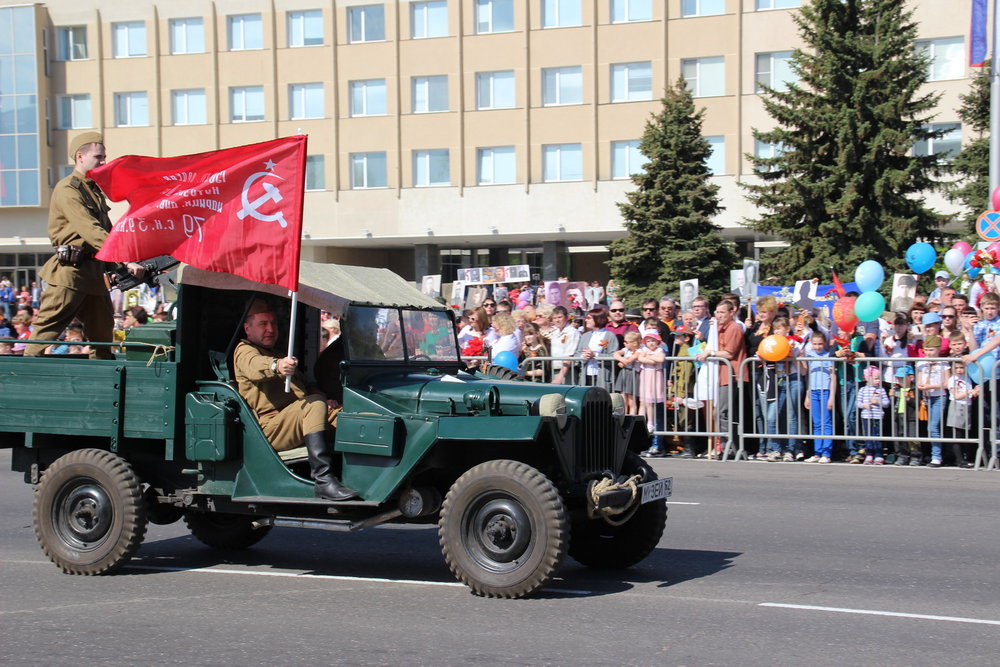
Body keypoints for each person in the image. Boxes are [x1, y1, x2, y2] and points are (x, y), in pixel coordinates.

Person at [24, 133, 145, 359]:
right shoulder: (68, 189)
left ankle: (105, 387)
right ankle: (20, 380)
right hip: (70, 274)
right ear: (80, 156)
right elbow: (89, 229)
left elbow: (109, 231)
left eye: (104, 157)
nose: (103, 162)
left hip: (94, 274)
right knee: (45, 334)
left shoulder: (93, 190)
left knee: (102, 338)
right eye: (98, 156)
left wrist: (127, 258)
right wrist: (124, 259)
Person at [233, 299, 358, 501]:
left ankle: (363, 475)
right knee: (314, 404)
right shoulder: (245, 350)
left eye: (273, 323)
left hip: (293, 418)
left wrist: (323, 397)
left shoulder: (277, 352)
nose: (270, 329)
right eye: (263, 324)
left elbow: (303, 386)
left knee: (346, 416)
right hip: (271, 428)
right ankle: (323, 480)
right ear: (248, 328)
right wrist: (277, 366)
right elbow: (255, 366)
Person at [803, 331, 835, 463]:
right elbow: (807, 375)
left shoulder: (828, 356)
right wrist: (807, 395)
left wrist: (831, 397)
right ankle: (817, 452)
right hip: (813, 391)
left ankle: (826, 453)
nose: (817, 347)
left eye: (820, 344)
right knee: (816, 423)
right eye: (815, 344)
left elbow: (833, 377)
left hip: (825, 390)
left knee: (826, 422)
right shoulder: (810, 356)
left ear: (825, 343)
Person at [917, 335, 949, 467]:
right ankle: (931, 454)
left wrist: (930, 386)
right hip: (926, 398)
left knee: (933, 426)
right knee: (928, 428)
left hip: (939, 396)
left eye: (932, 350)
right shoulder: (921, 364)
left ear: (938, 350)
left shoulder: (944, 364)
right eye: (927, 350)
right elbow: (919, 381)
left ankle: (937, 456)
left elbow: (946, 383)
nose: (929, 353)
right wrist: (921, 386)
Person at [857, 366, 889, 464]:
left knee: (877, 435)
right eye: (876, 378)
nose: (878, 380)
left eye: (879, 378)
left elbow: (887, 403)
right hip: (866, 416)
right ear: (868, 378)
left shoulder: (881, 390)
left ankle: (879, 454)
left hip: (877, 416)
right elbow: (858, 403)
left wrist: (878, 402)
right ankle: (869, 454)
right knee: (868, 435)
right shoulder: (862, 390)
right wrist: (864, 405)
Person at [612, 330, 641, 414]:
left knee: (632, 401)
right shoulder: (626, 349)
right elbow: (616, 354)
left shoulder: (639, 351)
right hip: (624, 373)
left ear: (634, 343)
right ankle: (623, 418)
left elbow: (630, 360)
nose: (624, 343)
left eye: (626, 342)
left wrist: (622, 362)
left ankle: (631, 418)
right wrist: (622, 359)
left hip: (633, 375)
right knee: (623, 399)